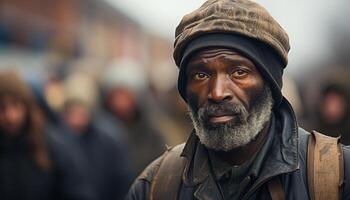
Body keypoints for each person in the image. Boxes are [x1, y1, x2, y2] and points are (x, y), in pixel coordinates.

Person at [126, 0, 350, 199]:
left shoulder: (337, 176)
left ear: (270, 84)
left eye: (239, 72)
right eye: (200, 75)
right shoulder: (156, 186)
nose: (216, 92)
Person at [0, 70, 95, 200]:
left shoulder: (52, 147)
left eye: (16, 105)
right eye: (2, 107)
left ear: (27, 107)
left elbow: (77, 192)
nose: (11, 116)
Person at [61, 98, 132, 200]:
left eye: (81, 113)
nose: (77, 119)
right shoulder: (58, 143)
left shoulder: (108, 141)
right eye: (72, 113)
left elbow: (121, 178)